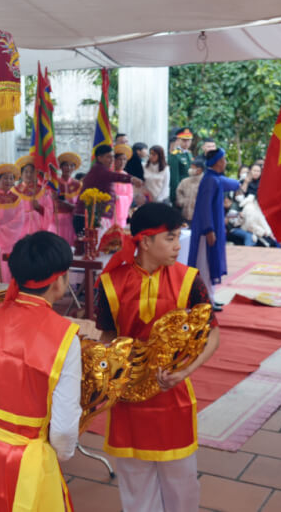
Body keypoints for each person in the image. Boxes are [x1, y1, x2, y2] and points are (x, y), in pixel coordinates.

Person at [95, 202, 220, 512]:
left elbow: (213, 335)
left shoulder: (189, 280)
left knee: (181, 480)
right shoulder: (110, 284)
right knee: (134, 481)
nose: (178, 246)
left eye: (179, 237)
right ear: (145, 241)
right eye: (170, 238)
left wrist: (186, 371)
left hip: (172, 394)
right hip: (128, 398)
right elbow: (108, 339)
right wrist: (104, 375)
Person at [0, 230, 81, 512]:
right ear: (59, 280)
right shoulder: (65, 337)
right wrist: (60, 454)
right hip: (30, 457)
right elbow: (64, 429)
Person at [187, 148, 240, 307]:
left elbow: (233, 184)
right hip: (206, 230)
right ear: (217, 161)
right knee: (204, 264)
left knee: (209, 264)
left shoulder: (214, 178)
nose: (225, 162)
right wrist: (209, 230)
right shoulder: (210, 180)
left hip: (211, 228)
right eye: (223, 159)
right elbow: (204, 208)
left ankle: (209, 295)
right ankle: (204, 299)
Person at [73, 145, 134, 236]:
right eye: (108, 157)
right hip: (88, 217)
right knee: (92, 245)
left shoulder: (102, 169)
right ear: (99, 158)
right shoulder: (99, 170)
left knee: (94, 246)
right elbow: (113, 176)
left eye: (113, 157)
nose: (112, 160)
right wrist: (132, 179)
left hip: (95, 216)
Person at [0, 163, 24, 282]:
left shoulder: (17, 198)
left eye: (11, 178)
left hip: (11, 241)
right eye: (5, 178)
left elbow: (19, 220)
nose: (8, 181)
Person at [14, 156, 54, 236]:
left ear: (36, 173)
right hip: (20, 229)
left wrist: (39, 208)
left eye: (32, 172)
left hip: (38, 228)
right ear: (21, 174)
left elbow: (50, 210)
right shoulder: (14, 191)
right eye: (26, 171)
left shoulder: (43, 191)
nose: (29, 174)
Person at [54, 153, 83, 245]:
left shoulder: (78, 184)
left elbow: (81, 204)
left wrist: (70, 206)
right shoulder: (55, 183)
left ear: (74, 168)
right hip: (56, 219)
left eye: (71, 165)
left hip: (72, 219)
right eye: (66, 165)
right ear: (61, 167)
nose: (68, 168)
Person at [169, 128, 194, 205]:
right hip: (181, 192)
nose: (186, 143)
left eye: (189, 140)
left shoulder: (189, 154)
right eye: (184, 140)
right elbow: (174, 178)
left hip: (190, 191)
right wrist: (175, 196)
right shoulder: (175, 155)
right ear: (178, 140)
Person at [112, 145, 135, 228]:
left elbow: (130, 196)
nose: (122, 162)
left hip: (121, 214)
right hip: (108, 213)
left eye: (124, 159)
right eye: (119, 159)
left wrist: (119, 198)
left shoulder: (126, 177)